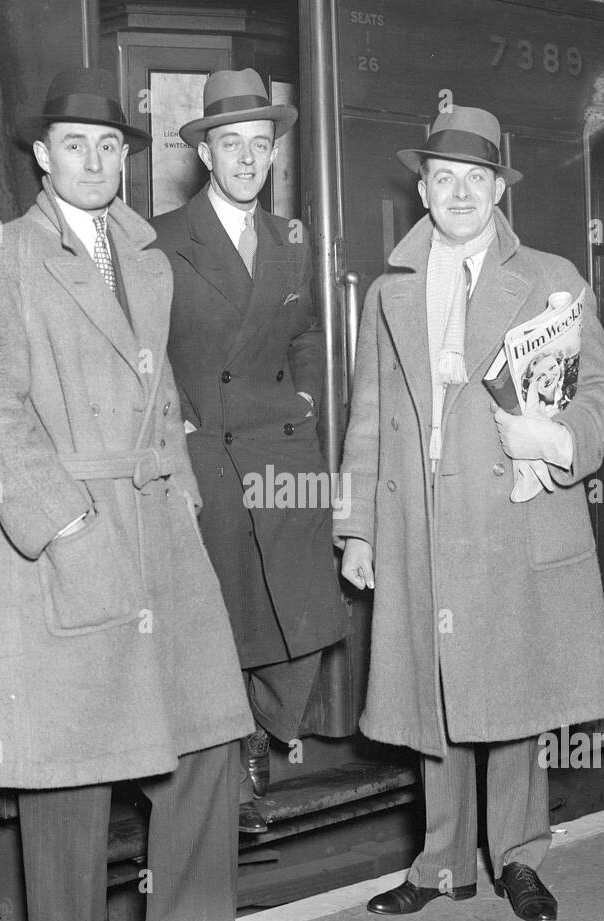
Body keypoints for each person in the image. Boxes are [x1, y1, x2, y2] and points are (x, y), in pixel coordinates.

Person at [0, 66, 283, 921]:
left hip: (159, 519)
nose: (94, 161)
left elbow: (154, 380)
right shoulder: (2, 259)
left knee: (211, 726)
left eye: (110, 147)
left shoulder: (141, 250)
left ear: (126, 160)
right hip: (69, 529)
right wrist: (63, 526)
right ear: (43, 158)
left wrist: (181, 486)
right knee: (70, 759)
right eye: (75, 146)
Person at [337, 104, 604, 921]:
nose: (460, 193)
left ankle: (519, 859)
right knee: (436, 696)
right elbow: (367, 416)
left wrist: (557, 436)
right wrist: (357, 526)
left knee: (513, 694)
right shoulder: (389, 291)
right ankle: (438, 865)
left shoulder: (551, 276)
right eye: (444, 178)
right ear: (422, 189)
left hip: (509, 508)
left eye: (476, 178)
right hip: (421, 518)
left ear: (498, 189)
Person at [151, 69, 350, 806]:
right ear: (206, 153)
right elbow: (140, 349)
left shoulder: (290, 239)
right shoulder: (163, 241)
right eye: (230, 144)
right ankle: (234, 750)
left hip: (282, 449)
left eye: (258, 146)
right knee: (223, 612)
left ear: (273, 154)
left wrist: (303, 393)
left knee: (301, 611)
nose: (245, 160)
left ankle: (264, 726)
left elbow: (309, 332)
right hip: (205, 452)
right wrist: (178, 420)